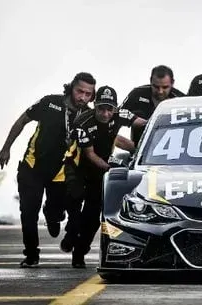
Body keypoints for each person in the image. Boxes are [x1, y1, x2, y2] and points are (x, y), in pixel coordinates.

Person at [0, 72, 96, 267]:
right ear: (71, 88)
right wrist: (6, 147)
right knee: (28, 212)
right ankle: (31, 255)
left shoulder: (88, 116)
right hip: (32, 167)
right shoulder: (50, 102)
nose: (82, 97)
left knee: (56, 212)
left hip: (60, 173)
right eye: (79, 91)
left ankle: (53, 216)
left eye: (88, 94)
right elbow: (22, 120)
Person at [61, 85, 147, 268]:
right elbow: (90, 155)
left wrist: (149, 141)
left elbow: (142, 123)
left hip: (99, 172)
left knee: (92, 216)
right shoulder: (83, 123)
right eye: (101, 108)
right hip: (76, 168)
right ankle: (70, 234)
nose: (106, 113)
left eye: (110, 109)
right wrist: (112, 166)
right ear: (95, 106)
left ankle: (79, 253)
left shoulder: (120, 115)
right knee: (74, 208)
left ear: (115, 108)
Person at [120, 65, 185, 145]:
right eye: (156, 87)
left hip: (171, 147)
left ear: (172, 83)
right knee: (140, 114)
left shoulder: (180, 100)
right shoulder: (137, 94)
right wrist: (133, 119)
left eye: (165, 87)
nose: (160, 91)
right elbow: (116, 114)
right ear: (150, 81)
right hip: (140, 148)